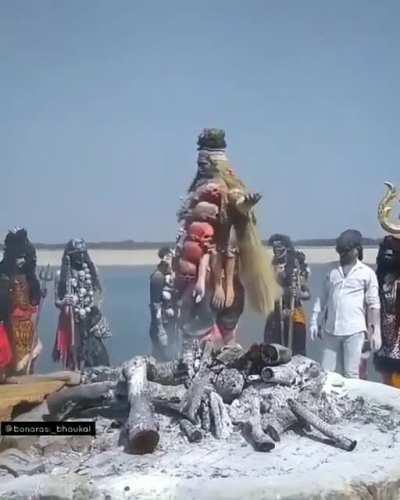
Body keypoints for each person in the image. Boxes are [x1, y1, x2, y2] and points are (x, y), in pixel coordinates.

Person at [173, 129, 280, 355]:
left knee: (221, 326)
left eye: (205, 161)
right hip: (198, 270)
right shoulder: (199, 193)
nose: (201, 166)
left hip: (218, 271)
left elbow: (236, 202)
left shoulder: (224, 194)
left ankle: (219, 358)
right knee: (199, 326)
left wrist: (244, 203)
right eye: (199, 161)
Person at [309, 229, 381, 378]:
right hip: (331, 330)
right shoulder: (332, 270)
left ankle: (351, 401)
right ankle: (327, 401)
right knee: (326, 373)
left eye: (346, 252)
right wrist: (314, 321)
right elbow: (321, 298)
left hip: (354, 330)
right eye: (340, 252)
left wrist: (375, 331)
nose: (342, 255)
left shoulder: (367, 273)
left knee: (351, 373)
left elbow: (373, 303)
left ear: (356, 251)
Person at [53, 238, 111, 369]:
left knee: (97, 352)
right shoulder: (60, 274)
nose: (81, 256)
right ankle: (76, 377)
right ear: (70, 255)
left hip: (90, 319)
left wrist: (95, 307)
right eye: (77, 253)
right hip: (71, 321)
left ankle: (99, 373)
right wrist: (64, 302)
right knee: (74, 354)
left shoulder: (92, 270)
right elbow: (56, 301)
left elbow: (99, 293)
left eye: (83, 253)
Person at [0, 228, 42, 376]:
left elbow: (34, 295)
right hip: (11, 316)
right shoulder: (4, 271)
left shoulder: (28, 272)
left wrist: (37, 294)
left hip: (28, 315)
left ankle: (27, 371)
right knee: (12, 346)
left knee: (30, 346)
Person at [264, 234, 310, 355]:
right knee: (273, 349)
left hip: (294, 311)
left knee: (297, 351)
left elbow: (307, 293)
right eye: (274, 247)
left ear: (286, 247)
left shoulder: (296, 265)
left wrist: (298, 293)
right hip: (275, 313)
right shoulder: (271, 265)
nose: (276, 250)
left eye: (279, 247)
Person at [149, 246, 176, 360]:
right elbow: (155, 305)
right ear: (165, 257)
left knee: (170, 355)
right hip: (161, 325)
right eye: (171, 256)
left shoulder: (169, 276)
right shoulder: (157, 277)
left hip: (169, 323)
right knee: (161, 355)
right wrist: (160, 329)